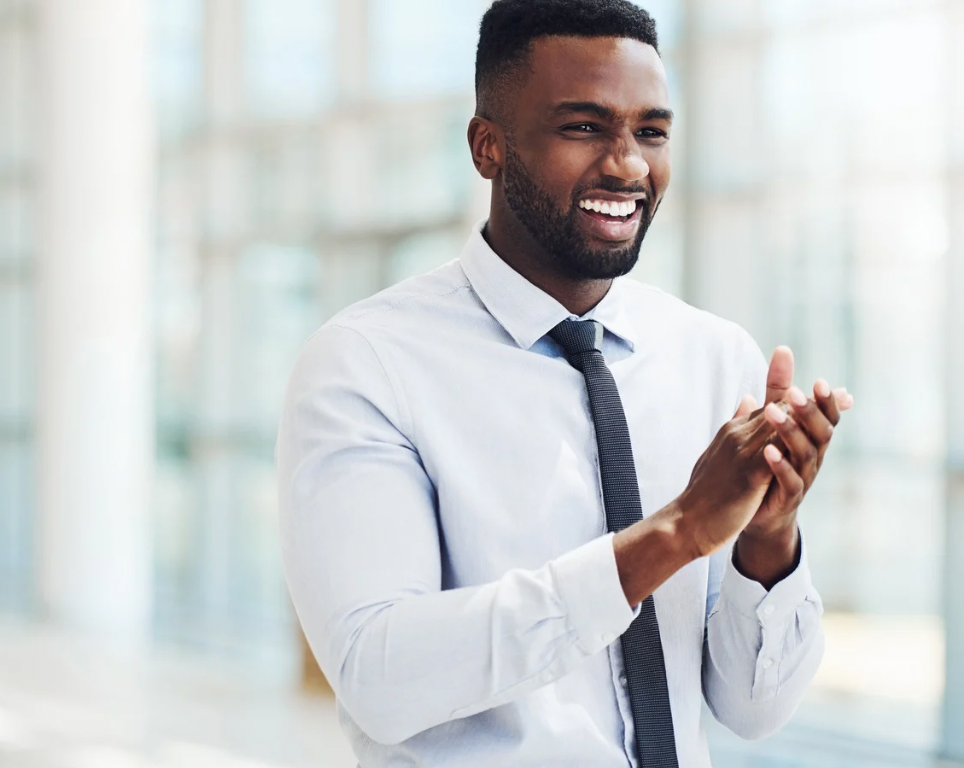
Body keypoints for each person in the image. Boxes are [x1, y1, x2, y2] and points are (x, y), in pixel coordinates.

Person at [276, 1, 855, 766]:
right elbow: (379, 678)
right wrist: (671, 535)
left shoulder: (716, 358)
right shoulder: (367, 365)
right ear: (489, 146)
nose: (628, 165)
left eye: (651, 131)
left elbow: (752, 710)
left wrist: (768, 538)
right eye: (584, 127)